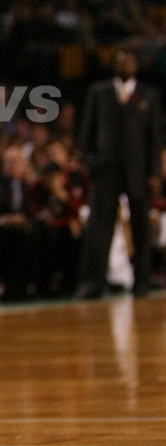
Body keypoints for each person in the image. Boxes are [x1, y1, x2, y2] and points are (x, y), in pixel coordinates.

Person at [76, 48, 162, 298]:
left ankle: (142, 282)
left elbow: (155, 138)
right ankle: (92, 283)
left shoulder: (149, 94)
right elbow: (87, 131)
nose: (126, 65)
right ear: (114, 65)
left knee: (140, 227)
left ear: (136, 65)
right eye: (121, 61)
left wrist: (155, 172)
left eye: (130, 61)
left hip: (138, 171)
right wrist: (91, 161)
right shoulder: (98, 92)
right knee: (99, 227)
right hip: (106, 170)